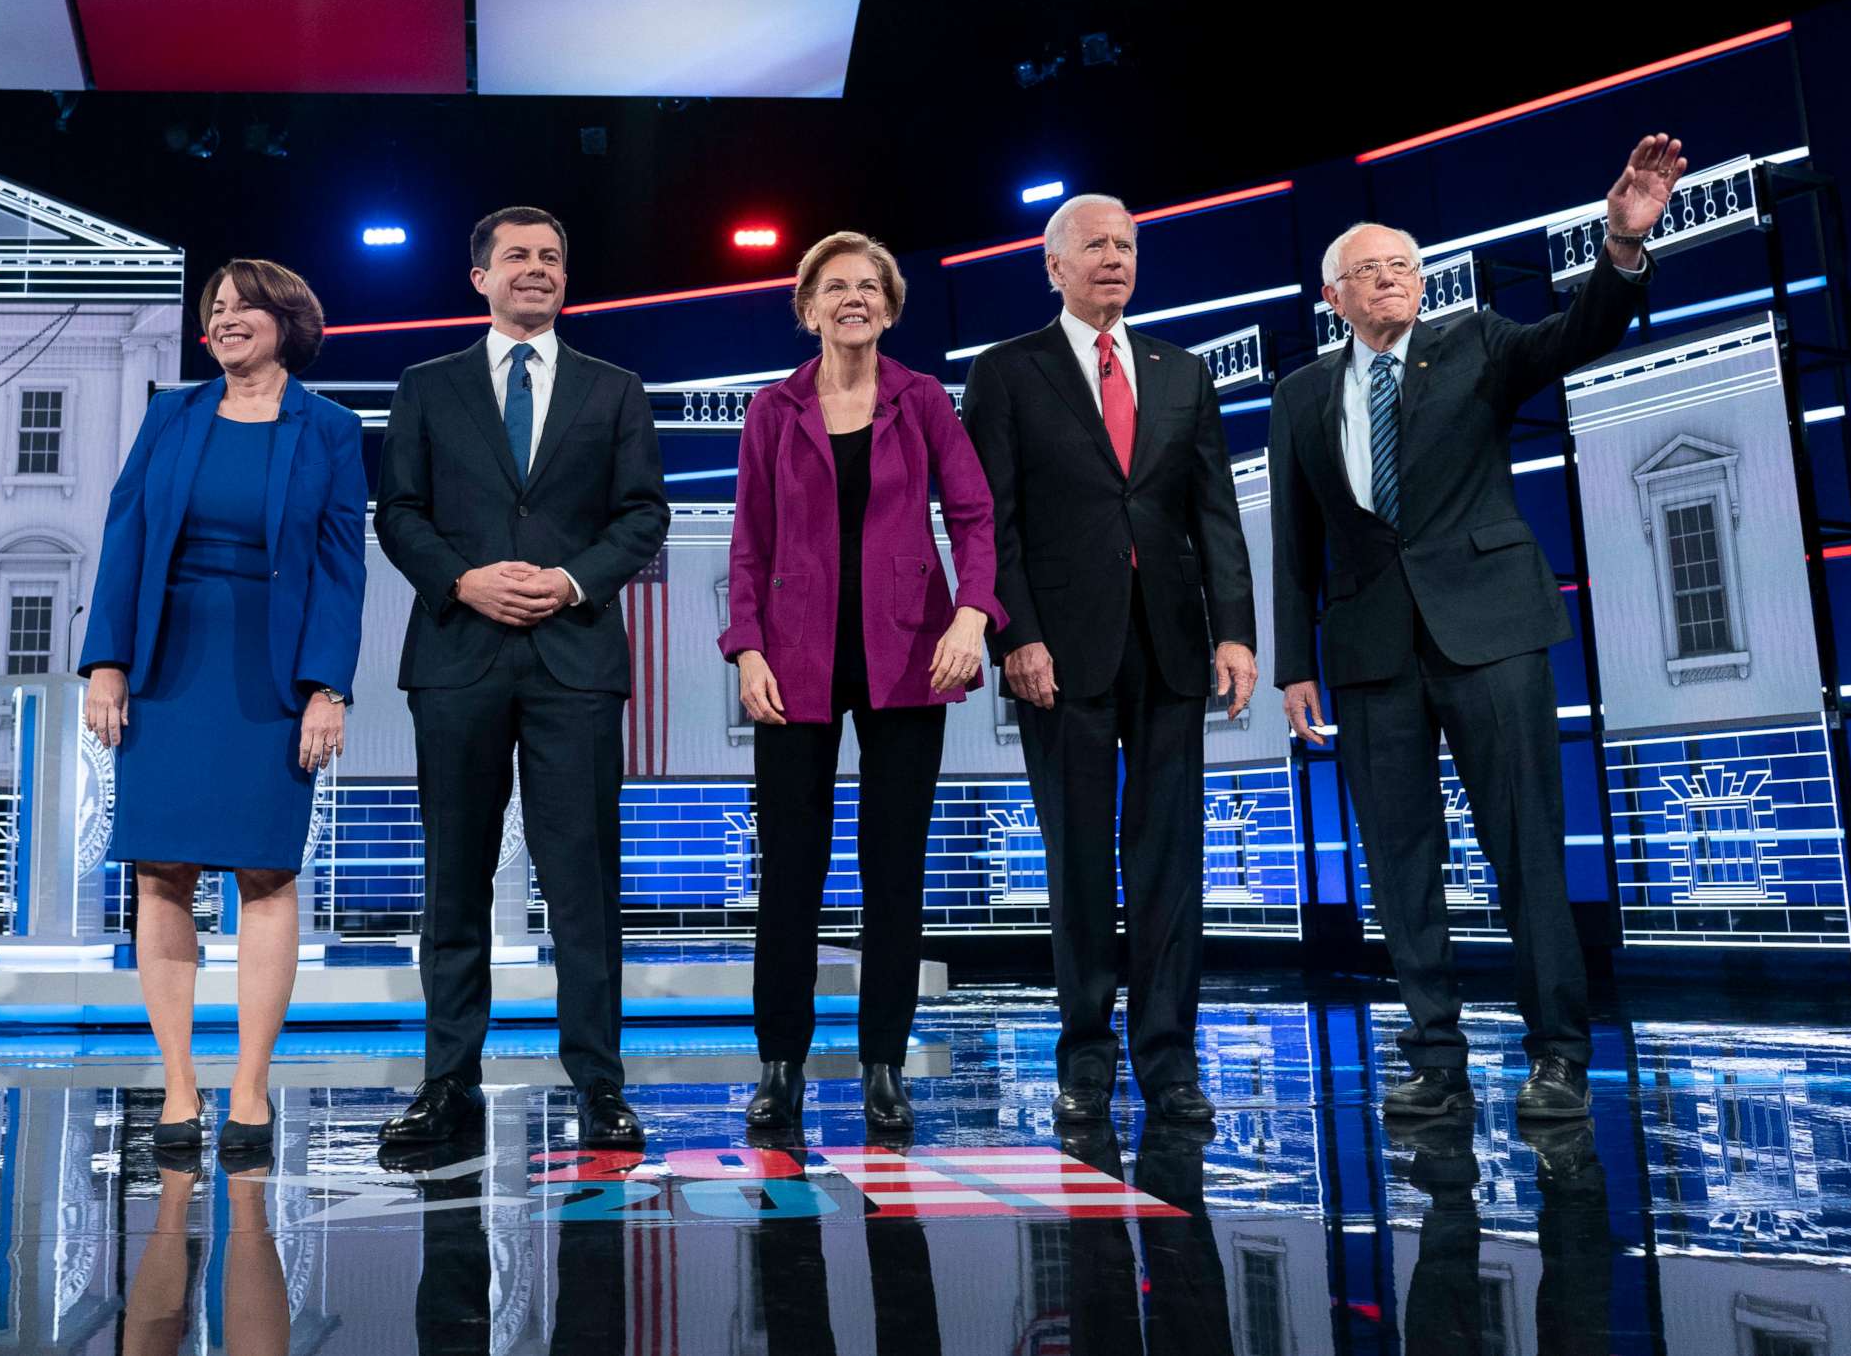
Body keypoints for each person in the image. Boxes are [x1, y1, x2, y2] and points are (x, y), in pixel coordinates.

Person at [1273, 136, 1680, 1123]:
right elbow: (1293, 539)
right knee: (1399, 860)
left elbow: (1579, 331)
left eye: (1404, 266)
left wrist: (1621, 246)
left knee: (1526, 845)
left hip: (1491, 631)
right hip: (1371, 652)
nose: (1391, 282)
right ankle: (1434, 1055)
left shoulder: (1479, 341)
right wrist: (1295, 664)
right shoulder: (1299, 395)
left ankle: (1558, 1055)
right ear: (1333, 297)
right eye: (1369, 272)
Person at [374, 208, 670, 1147]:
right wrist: (462, 579)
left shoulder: (615, 388)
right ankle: (446, 1083)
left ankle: (599, 1088)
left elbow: (642, 515)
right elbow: (399, 512)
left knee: (584, 884)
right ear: (480, 277)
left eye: (551, 256)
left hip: (573, 658)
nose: (536, 269)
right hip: (459, 656)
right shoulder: (427, 385)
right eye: (517, 257)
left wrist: (572, 579)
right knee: (453, 881)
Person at [960, 193, 1257, 1125]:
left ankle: (1170, 1058)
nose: (1114, 259)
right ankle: (1085, 1055)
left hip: (1169, 645)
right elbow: (989, 520)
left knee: (1170, 858)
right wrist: (1016, 634)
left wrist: (1236, 630)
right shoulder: (1007, 374)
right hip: (1061, 651)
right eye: (1094, 245)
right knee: (1079, 860)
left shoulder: (1183, 371)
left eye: (1126, 245)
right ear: (1052, 266)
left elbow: (1214, 514)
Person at [78, 260, 366, 1159]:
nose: (227, 318)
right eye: (216, 308)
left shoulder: (330, 428)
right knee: (161, 872)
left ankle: (249, 1088)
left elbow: (340, 566)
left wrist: (328, 685)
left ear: (288, 320)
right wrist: (107, 662)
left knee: (265, 874)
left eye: (245, 306)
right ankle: (177, 1088)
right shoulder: (172, 414)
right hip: (169, 666)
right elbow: (125, 535)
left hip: (270, 673)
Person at [719, 232, 1004, 1135]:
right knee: (791, 873)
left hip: (911, 653)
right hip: (794, 662)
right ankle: (780, 1067)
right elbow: (749, 544)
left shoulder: (922, 401)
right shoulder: (773, 408)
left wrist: (972, 615)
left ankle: (884, 1065)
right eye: (834, 287)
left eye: (868, 286)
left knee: (895, 870)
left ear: (889, 305)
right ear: (808, 309)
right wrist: (746, 649)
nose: (853, 299)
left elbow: (974, 515)